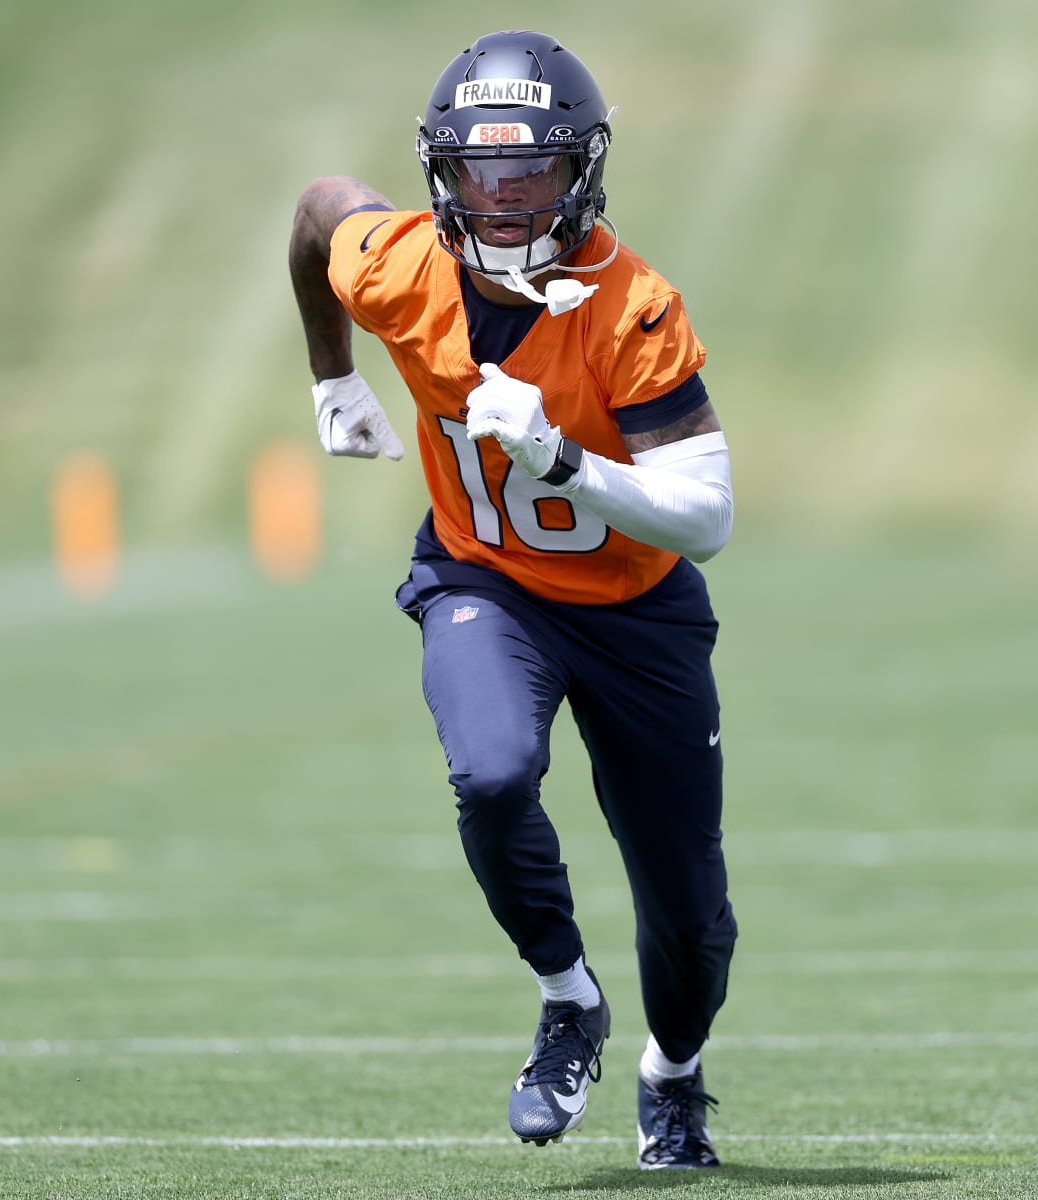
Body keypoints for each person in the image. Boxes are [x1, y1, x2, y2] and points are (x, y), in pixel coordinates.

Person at [287, 30, 736, 1171]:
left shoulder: (631, 306)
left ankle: (673, 1076)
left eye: (528, 167)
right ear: (444, 171)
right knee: (489, 771)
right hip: (485, 581)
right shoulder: (402, 268)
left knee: (689, 917)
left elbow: (707, 516)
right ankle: (565, 996)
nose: (500, 192)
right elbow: (318, 211)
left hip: (634, 609)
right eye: (479, 169)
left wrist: (567, 464)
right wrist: (332, 374)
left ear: (579, 169)